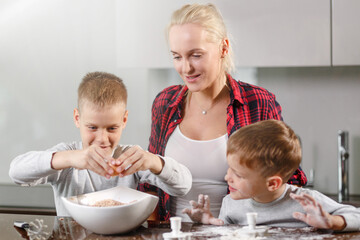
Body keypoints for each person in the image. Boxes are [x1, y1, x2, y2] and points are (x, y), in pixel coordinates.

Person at [138, 3, 307, 221]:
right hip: (172, 234)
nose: (186, 68)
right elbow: (149, 184)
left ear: (223, 48)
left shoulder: (257, 102)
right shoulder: (165, 103)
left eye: (196, 55)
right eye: (177, 57)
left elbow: (288, 179)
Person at [9, 71, 192, 216]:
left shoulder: (129, 158)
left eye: (112, 128)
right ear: (77, 118)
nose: (102, 139)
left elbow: (183, 186)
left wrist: (154, 162)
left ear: (124, 120)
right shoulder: (68, 158)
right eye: (92, 127)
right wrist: (70, 159)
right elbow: (16, 172)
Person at [183, 120, 360, 232]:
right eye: (229, 168)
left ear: (273, 183)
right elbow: (226, 232)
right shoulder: (231, 203)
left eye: (238, 174)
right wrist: (208, 222)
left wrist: (331, 221)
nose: (227, 177)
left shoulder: (305, 201)